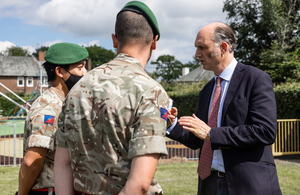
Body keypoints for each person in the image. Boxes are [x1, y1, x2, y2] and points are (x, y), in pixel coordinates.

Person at [54, 1, 170, 195]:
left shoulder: (77, 88)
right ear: (155, 41)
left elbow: (63, 164)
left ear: (114, 40)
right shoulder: (151, 92)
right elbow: (140, 184)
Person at [167, 22, 282, 195]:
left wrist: (212, 134)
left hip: (247, 184)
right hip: (209, 183)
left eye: (202, 47)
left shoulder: (256, 79)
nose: (197, 54)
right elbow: (198, 139)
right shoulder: (206, 90)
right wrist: (172, 124)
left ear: (223, 47)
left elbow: (265, 131)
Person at [17, 42, 88, 195]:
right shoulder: (48, 108)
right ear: (59, 71)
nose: (85, 73)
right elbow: (32, 162)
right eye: (80, 67)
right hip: (48, 190)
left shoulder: (65, 103)